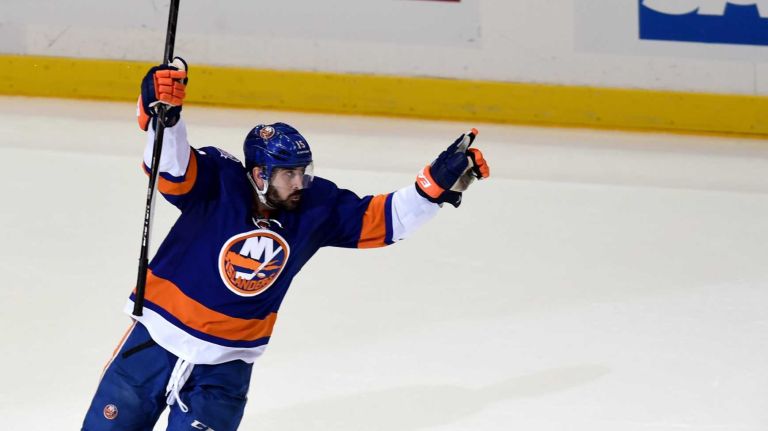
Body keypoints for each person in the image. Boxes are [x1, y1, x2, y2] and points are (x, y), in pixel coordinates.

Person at [82, 57, 490, 431]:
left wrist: (431, 190)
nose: (299, 183)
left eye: (302, 172)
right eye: (288, 174)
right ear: (260, 174)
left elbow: (385, 220)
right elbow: (170, 168)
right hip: (154, 341)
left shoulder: (314, 206)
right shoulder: (217, 180)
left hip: (225, 369)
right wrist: (166, 118)